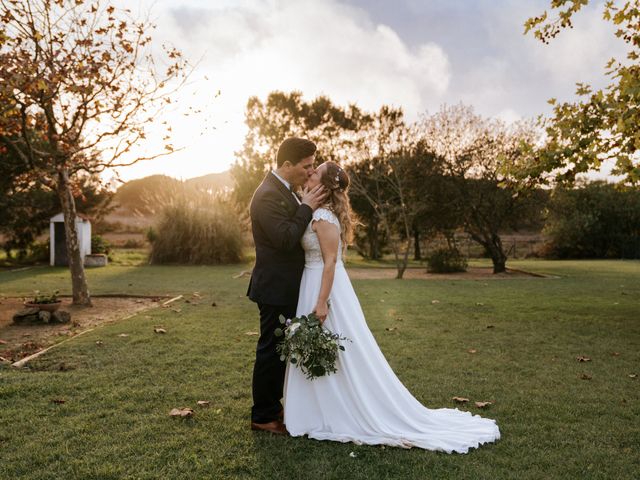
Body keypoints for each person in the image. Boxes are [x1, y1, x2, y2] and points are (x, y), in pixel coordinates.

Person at [282, 161, 501, 453]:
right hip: (311, 282)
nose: (308, 173)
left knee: (337, 348)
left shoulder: (322, 216)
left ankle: (332, 411)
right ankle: (317, 408)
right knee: (325, 348)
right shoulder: (313, 211)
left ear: (324, 186)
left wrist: (321, 302)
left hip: (323, 287)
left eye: (314, 172)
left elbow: (331, 262)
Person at [247, 137, 326, 435]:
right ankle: (263, 415)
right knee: (270, 350)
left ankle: (274, 405)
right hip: (274, 287)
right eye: (306, 166)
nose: (311, 170)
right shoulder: (267, 194)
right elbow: (283, 238)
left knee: (280, 350)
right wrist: (306, 207)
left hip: (288, 285)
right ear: (287, 165)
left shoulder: (287, 191)